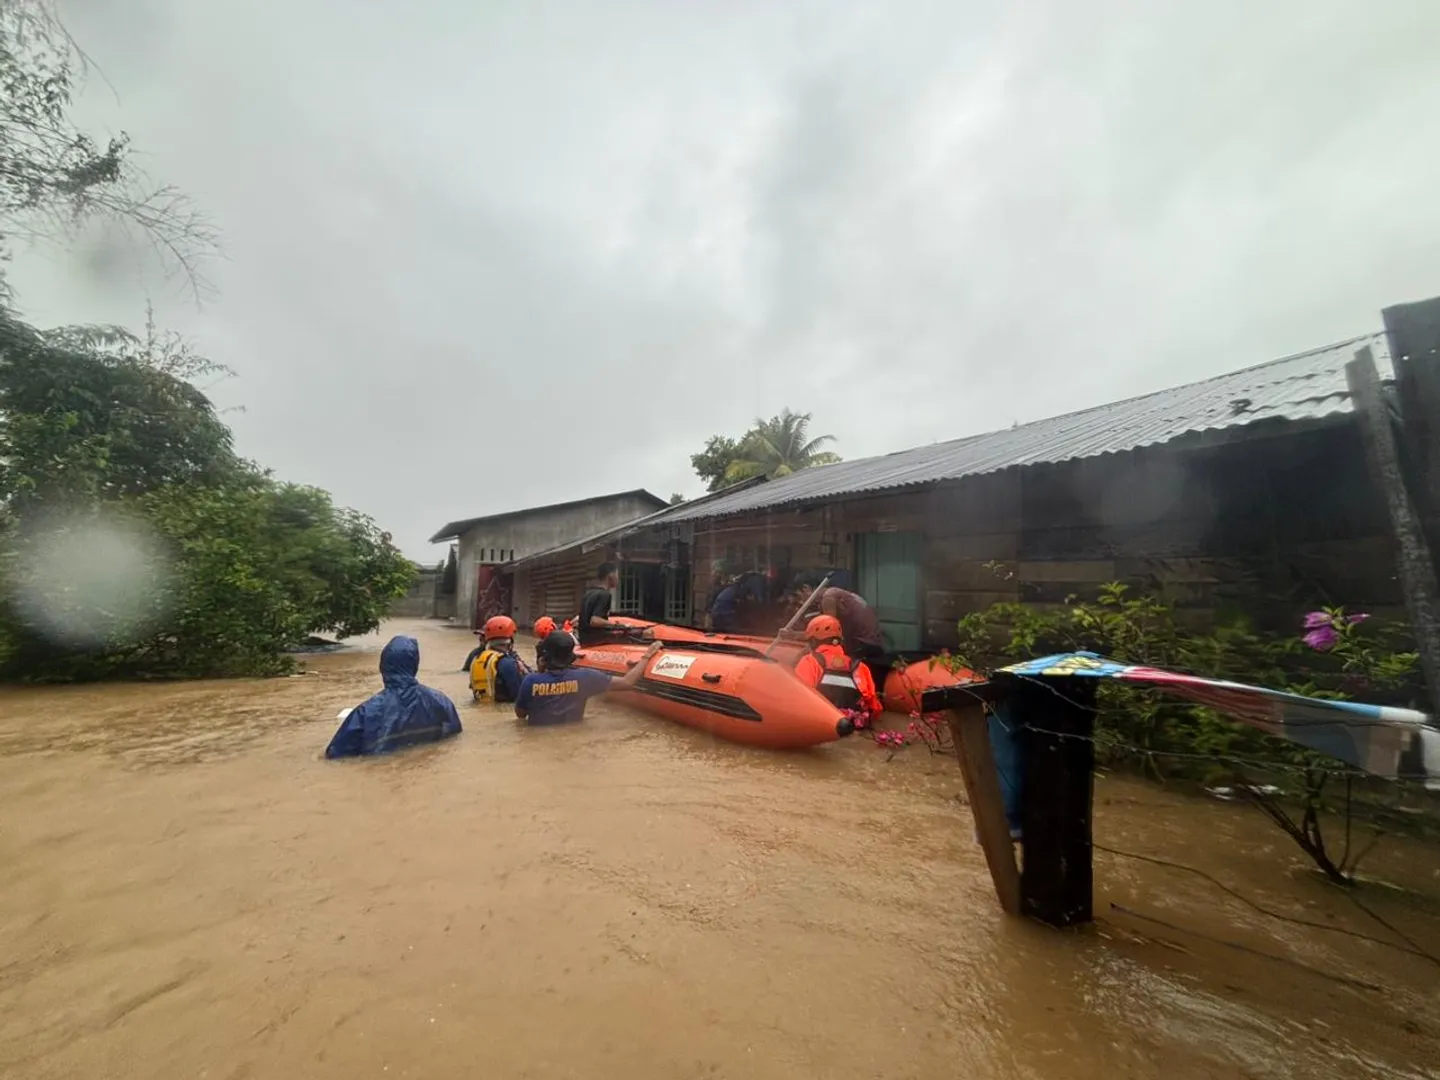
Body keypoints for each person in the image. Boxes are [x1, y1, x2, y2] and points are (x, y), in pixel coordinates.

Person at [325, 635, 462, 758]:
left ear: (383, 666)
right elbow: (455, 736)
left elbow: (335, 755)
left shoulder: (365, 713)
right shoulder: (441, 702)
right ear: (415, 665)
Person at [515, 631, 654, 725]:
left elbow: (520, 714)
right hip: (573, 736)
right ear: (571, 656)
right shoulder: (585, 677)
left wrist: (540, 672)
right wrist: (648, 655)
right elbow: (627, 682)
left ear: (544, 658)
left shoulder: (530, 680)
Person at [792, 615, 883, 727]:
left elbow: (798, 696)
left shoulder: (809, 662)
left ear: (813, 641)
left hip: (819, 723)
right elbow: (873, 704)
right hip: (852, 725)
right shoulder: (859, 666)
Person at [468, 615, 529, 704]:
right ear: (510, 639)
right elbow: (521, 696)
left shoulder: (477, 659)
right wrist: (525, 672)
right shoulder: (507, 663)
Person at [576, 562, 630, 645]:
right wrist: (617, 625)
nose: (618, 579)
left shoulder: (589, 593)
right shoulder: (605, 595)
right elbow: (594, 621)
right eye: (617, 575)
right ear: (611, 575)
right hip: (596, 640)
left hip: (584, 640)